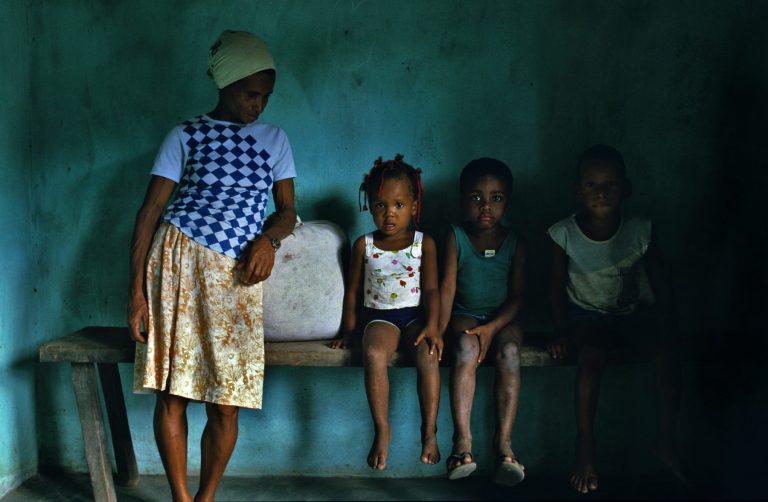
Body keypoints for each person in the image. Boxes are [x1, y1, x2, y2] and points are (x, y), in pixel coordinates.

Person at [128, 30, 297, 502]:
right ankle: (182, 499)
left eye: (265, 97)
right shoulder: (184, 135)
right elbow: (148, 215)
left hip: (239, 271)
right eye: (249, 94)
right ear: (224, 86)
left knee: (228, 400)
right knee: (174, 392)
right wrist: (136, 294)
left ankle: (206, 498)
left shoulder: (274, 140)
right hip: (178, 261)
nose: (258, 105)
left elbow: (287, 212)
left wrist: (267, 240)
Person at [546, 144, 682, 494]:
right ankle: (586, 449)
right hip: (585, 318)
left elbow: (661, 284)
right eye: (591, 184)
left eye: (610, 184)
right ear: (577, 190)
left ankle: (665, 441)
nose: (601, 192)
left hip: (631, 317)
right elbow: (555, 287)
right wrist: (561, 331)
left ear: (627, 189)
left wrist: (667, 324)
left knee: (667, 350)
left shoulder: (641, 231)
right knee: (591, 358)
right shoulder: (563, 233)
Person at [330, 155, 442, 471]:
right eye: (380, 205)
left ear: (414, 206)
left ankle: (429, 430)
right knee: (375, 353)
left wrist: (433, 326)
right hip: (380, 318)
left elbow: (432, 291)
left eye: (398, 205)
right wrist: (348, 331)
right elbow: (352, 291)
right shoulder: (364, 245)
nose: (388, 213)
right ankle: (382, 430)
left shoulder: (424, 243)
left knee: (428, 356)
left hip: (415, 318)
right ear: (369, 205)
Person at [438, 158, 528, 486]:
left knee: (510, 354)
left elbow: (518, 298)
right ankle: (462, 443)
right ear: (463, 200)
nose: (486, 206)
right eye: (476, 198)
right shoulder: (455, 235)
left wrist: (492, 328)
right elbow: (447, 289)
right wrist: (437, 329)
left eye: (496, 198)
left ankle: (504, 445)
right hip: (465, 315)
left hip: (504, 318)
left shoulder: (516, 242)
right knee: (463, 349)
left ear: (508, 201)